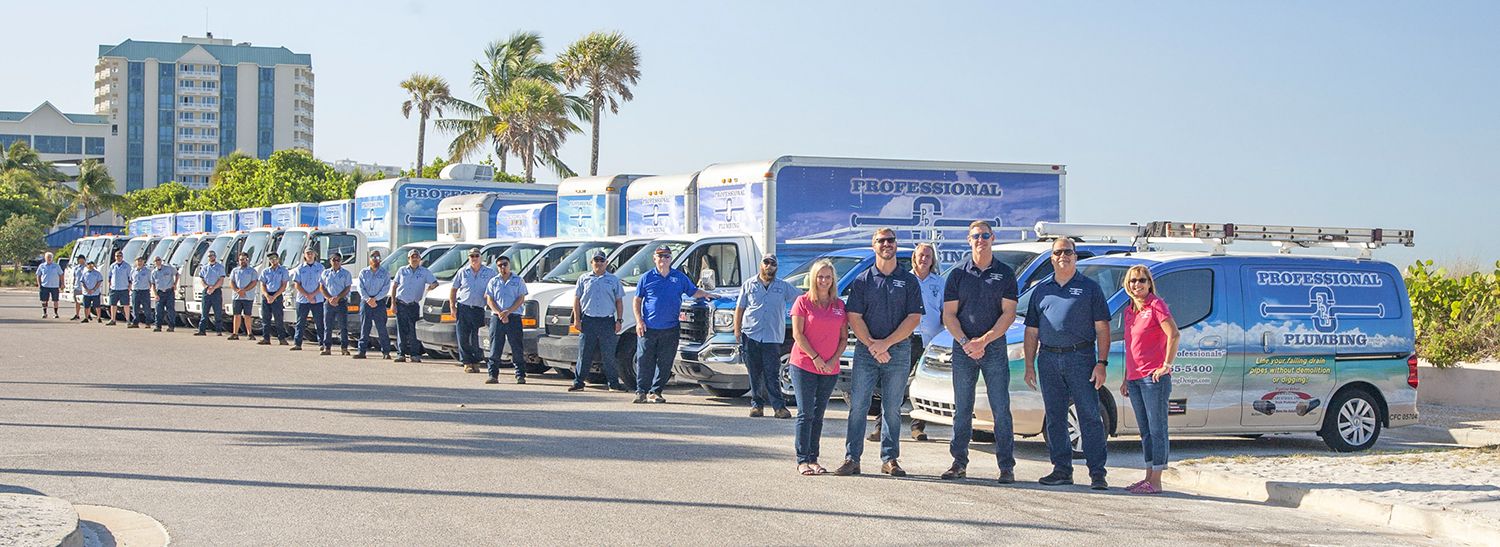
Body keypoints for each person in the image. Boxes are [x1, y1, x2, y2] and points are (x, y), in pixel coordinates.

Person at [1023, 237, 1113, 490]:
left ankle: (1097, 473)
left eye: (1068, 252)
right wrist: (1030, 365)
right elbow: (1031, 331)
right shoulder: (1041, 289)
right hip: (1049, 358)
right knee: (1055, 417)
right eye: (1058, 252)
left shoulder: (1090, 288)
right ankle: (1062, 469)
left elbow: (1102, 328)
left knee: (1089, 415)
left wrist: (1102, 363)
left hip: (1081, 358)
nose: (1063, 256)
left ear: (1075, 256)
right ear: (1051, 257)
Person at [834, 228, 924, 478]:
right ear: (873, 246)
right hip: (866, 352)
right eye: (881, 241)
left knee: (892, 408)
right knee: (859, 406)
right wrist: (873, 344)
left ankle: (890, 459)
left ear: (896, 244)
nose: (887, 244)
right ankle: (852, 458)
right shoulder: (863, 280)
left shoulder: (908, 280)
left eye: (891, 240)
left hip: (898, 351)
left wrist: (885, 344)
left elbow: (913, 318)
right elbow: (854, 316)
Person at [939, 221, 1020, 483]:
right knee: (963, 408)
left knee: (1000, 407)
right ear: (969, 240)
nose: (981, 240)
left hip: (994, 347)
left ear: (993, 238)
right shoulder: (957, 274)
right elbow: (949, 314)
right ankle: (958, 462)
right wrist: (965, 342)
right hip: (963, 348)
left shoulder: (1005, 273)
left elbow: (1008, 314)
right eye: (976, 236)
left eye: (985, 235)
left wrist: (984, 340)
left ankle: (1006, 466)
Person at [871, 243, 940, 441]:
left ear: (932, 259)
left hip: (931, 340)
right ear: (914, 258)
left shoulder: (940, 283)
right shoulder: (904, 280)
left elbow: (946, 312)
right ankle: (880, 426)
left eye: (928, 256)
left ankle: (918, 427)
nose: (924, 259)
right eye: (921, 255)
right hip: (906, 337)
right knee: (896, 384)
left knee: (923, 384)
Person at [1119, 265, 1179, 495]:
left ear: (1149, 283)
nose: (1137, 284)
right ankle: (1147, 477)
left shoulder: (1156, 305)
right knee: (1144, 429)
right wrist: (1126, 378)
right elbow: (1131, 347)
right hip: (1134, 379)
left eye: (1142, 280)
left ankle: (1156, 480)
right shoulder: (1130, 311)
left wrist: (1166, 365)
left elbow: (1174, 334)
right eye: (1133, 281)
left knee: (1157, 428)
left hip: (1153, 378)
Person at [632, 246, 713, 404]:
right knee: (644, 360)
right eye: (660, 256)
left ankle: (656, 392)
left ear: (671, 259)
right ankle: (641, 391)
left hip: (670, 328)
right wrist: (639, 321)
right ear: (654, 258)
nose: (663, 259)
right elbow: (637, 300)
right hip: (648, 327)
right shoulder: (646, 277)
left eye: (667, 256)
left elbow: (693, 291)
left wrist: (707, 294)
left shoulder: (679, 277)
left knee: (665, 362)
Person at [789, 259, 848, 476]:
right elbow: (798, 334)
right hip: (804, 365)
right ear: (813, 278)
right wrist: (815, 357)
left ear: (833, 280)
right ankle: (802, 459)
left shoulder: (839, 306)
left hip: (829, 368)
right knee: (805, 413)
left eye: (828, 277)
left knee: (819, 414)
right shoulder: (802, 302)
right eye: (820, 276)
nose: (824, 280)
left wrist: (833, 359)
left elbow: (843, 338)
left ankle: (814, 458)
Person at [734, 253, 802, 419]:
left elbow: (802, 297)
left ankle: (779, 407)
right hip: (751, 334)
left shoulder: (783, 287)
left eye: (773, 263)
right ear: (761, 265)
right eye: (766, 262)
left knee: (772, 373)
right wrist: (737, 330)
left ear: (776, 267)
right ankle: (757, 405)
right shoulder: (749, 285)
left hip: (772, 337)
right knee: (754, 373)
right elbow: (740, 308)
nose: (769, 266)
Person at [569, 251, 626, 392]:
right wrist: (577, 319)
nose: (599, 263)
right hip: (588, 321)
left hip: (607, 321)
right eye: (596, 260)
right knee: (584, 353)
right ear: (591, 262)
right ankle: (578, 383)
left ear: (606, 263)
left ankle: (613, 384)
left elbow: (619, 301)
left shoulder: (613, 280)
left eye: (602, 260)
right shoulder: (583, 279)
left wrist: (619, 320)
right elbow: (577, 300)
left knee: (609, 354)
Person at [449, 248, 496, 373]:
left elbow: (495, 288)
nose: (474, 258)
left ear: (481, 257)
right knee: (463, 336)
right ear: (469, 258)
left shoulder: (490, 272)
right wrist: (452, 307)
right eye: (471, 256)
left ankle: (476, 361)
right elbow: (454, 289)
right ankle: (466, 362)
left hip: (479, 309)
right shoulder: (463, 272)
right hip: (463, 307)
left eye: (476, 256)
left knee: (477, 337)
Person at [484, 255, 528, 384]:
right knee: (495, 346)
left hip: (513, 317)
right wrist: (500, 313)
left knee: (517, 347)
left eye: (505, 264)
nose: (503, 267)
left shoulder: (518, 280)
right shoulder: (493, 281)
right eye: (500, 265)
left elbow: (521, 298)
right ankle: (493, 375)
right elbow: (489, 299)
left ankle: (520, 375)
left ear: (509, 265)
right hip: (497, 317)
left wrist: (508, 311)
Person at [391, 249, 438, 363]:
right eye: (412, 257)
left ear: (420, 259)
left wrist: (431, 287)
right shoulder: (402, 271)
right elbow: (394, 287)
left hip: (413, 305)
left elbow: (435, 282)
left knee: (413, 331)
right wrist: (393, 303)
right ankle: (401, 354)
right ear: (408, 259)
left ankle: (414, 354)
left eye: (417, 257)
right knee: (401, 330)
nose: (415, 259)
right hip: (401, 303)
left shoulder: (424, 272)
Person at [353, 251, 393, 360]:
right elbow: (360, 287)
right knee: (365, 327)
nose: (375, 259)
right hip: (366, 302)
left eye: (377, 257)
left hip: (379, 302)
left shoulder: (384, 273)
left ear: (380, 259)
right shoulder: (363, 272)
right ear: (369, 259)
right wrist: (368, 299)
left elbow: (386, 288)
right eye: (373, 257)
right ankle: (361, 351)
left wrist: (375, 299)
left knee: (381, 328)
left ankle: (386, 352)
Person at [289, 249, 326, 351]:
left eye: (311, 253)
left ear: (315, 255)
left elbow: (322, 284)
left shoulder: (320, 268)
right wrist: (307, 295)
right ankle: (297, 343)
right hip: (302, 299)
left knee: (319, 322)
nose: (309, 255)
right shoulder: (299, 268)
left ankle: (322, 343)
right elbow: (297, 284)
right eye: (307, 253)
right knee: (300, 322)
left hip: (317, 299)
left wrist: (313, 295)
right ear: (304, 255)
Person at [320, 253, 353, 356]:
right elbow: (322, 287)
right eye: (334, 260)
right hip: (328, 302)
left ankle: (344, 348)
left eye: (338, 260)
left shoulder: (346, 273)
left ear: (341, 261)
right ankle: (327, 347)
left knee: (343, 327)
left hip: (341, 302)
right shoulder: (325, 273)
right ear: (330, 261)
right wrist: (329, 298)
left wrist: (338, 298)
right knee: (327, 326)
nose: (336, 262)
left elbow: (347, 288)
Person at [259, 253, 290, 346]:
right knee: (265, 318)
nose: (273, 260)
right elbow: (263, 284)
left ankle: (282, 338)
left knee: (278, 318)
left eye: (274, 258)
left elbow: (284, 285)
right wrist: (267, 295)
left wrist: (274, 296)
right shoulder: (265, 271)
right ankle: (266, 338)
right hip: (267, 295)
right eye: (271, 259)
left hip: (277, 295)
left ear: (278, 259)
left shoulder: (283, 270)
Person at [228, 252, 259, 340]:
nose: (243, 261)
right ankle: (235, 333)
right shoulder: (235, 271)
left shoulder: (252, 271)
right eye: (241, 259)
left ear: (247, 260)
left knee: (247, 315)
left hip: (248, 296)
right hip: (237, 296)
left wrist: (244, 290)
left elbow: (254, 282)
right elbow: (231, 282)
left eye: (244, 259)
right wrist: (237, 290)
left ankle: (249, 334)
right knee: (236, 315)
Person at [195, 251, 227, 336]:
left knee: (217, 312)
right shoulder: (205, 267)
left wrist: (214, 288)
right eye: (209, 256)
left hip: (216, 291)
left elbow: (221, 280)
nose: (210, 257)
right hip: (207, 290)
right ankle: (202, 330)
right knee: (204, 312)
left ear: (215, 256)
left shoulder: (220, 267)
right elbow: (201, 279)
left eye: (212, 255)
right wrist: (206, 287)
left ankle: (218, 331)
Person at [149, 256, 178, 332]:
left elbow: (177, 274)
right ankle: (158, 326)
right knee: (158, 310)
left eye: (159, 260)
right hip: (160, 293)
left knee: (170, 310)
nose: (157, 261)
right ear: (154, 263)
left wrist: (175, 284)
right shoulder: (154, 272)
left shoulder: (168, 268)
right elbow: (153, 284)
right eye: (156, 261)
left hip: (169, 292)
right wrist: (155, 295)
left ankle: (171, 326)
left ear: (161, 261)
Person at [106, 250, 132, 326]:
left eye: (120, 256)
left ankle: (128, 320)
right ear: (115, 257)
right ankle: (113, 319)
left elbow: (130, 277)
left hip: (124, 288)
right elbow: (110, 277)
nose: (118, 257)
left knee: (126, 305)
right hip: (114, 288)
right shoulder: (112, 266)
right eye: (117, 256)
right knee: (113, 305)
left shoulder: (127, 266)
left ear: (122, 257)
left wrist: (129, 286)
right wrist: (110, 286)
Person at [35, 252, 62, 319]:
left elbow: (61, 274)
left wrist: (62, 283)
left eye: (50, 257)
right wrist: (39, 284)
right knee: (44, 300)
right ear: (45, 258)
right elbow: (38, 275)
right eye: (47, 257)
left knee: (55, 300)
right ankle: (45, 313)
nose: (49, 259)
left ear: (52, 258)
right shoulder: (42, 266)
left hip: (54, 286)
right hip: (44, 286)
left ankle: (55, 313)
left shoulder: (56, 266)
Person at [128, 256, 152, 328]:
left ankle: (148, 323)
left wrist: (148, 288)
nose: (139, 262)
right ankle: (135, 323)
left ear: (143, 262)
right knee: (135, 308)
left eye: (141, 261)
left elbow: (150, 282)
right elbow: (131, 281)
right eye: (138, 261)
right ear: (135, 262)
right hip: (135, 291)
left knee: (146, 308)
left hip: (144, 291)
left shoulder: (147, 271)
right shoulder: (133, 271)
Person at [69, 254, 86, 320]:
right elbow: (74, 277)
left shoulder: (86, 267)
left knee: (86, 302)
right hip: (77, 286)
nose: (81, 261)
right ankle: (77, 314)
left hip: (84, 287)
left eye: (82, 259)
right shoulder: (76, 268)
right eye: (79, 259)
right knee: (77, 302)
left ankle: (87, 315)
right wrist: (73, 285)